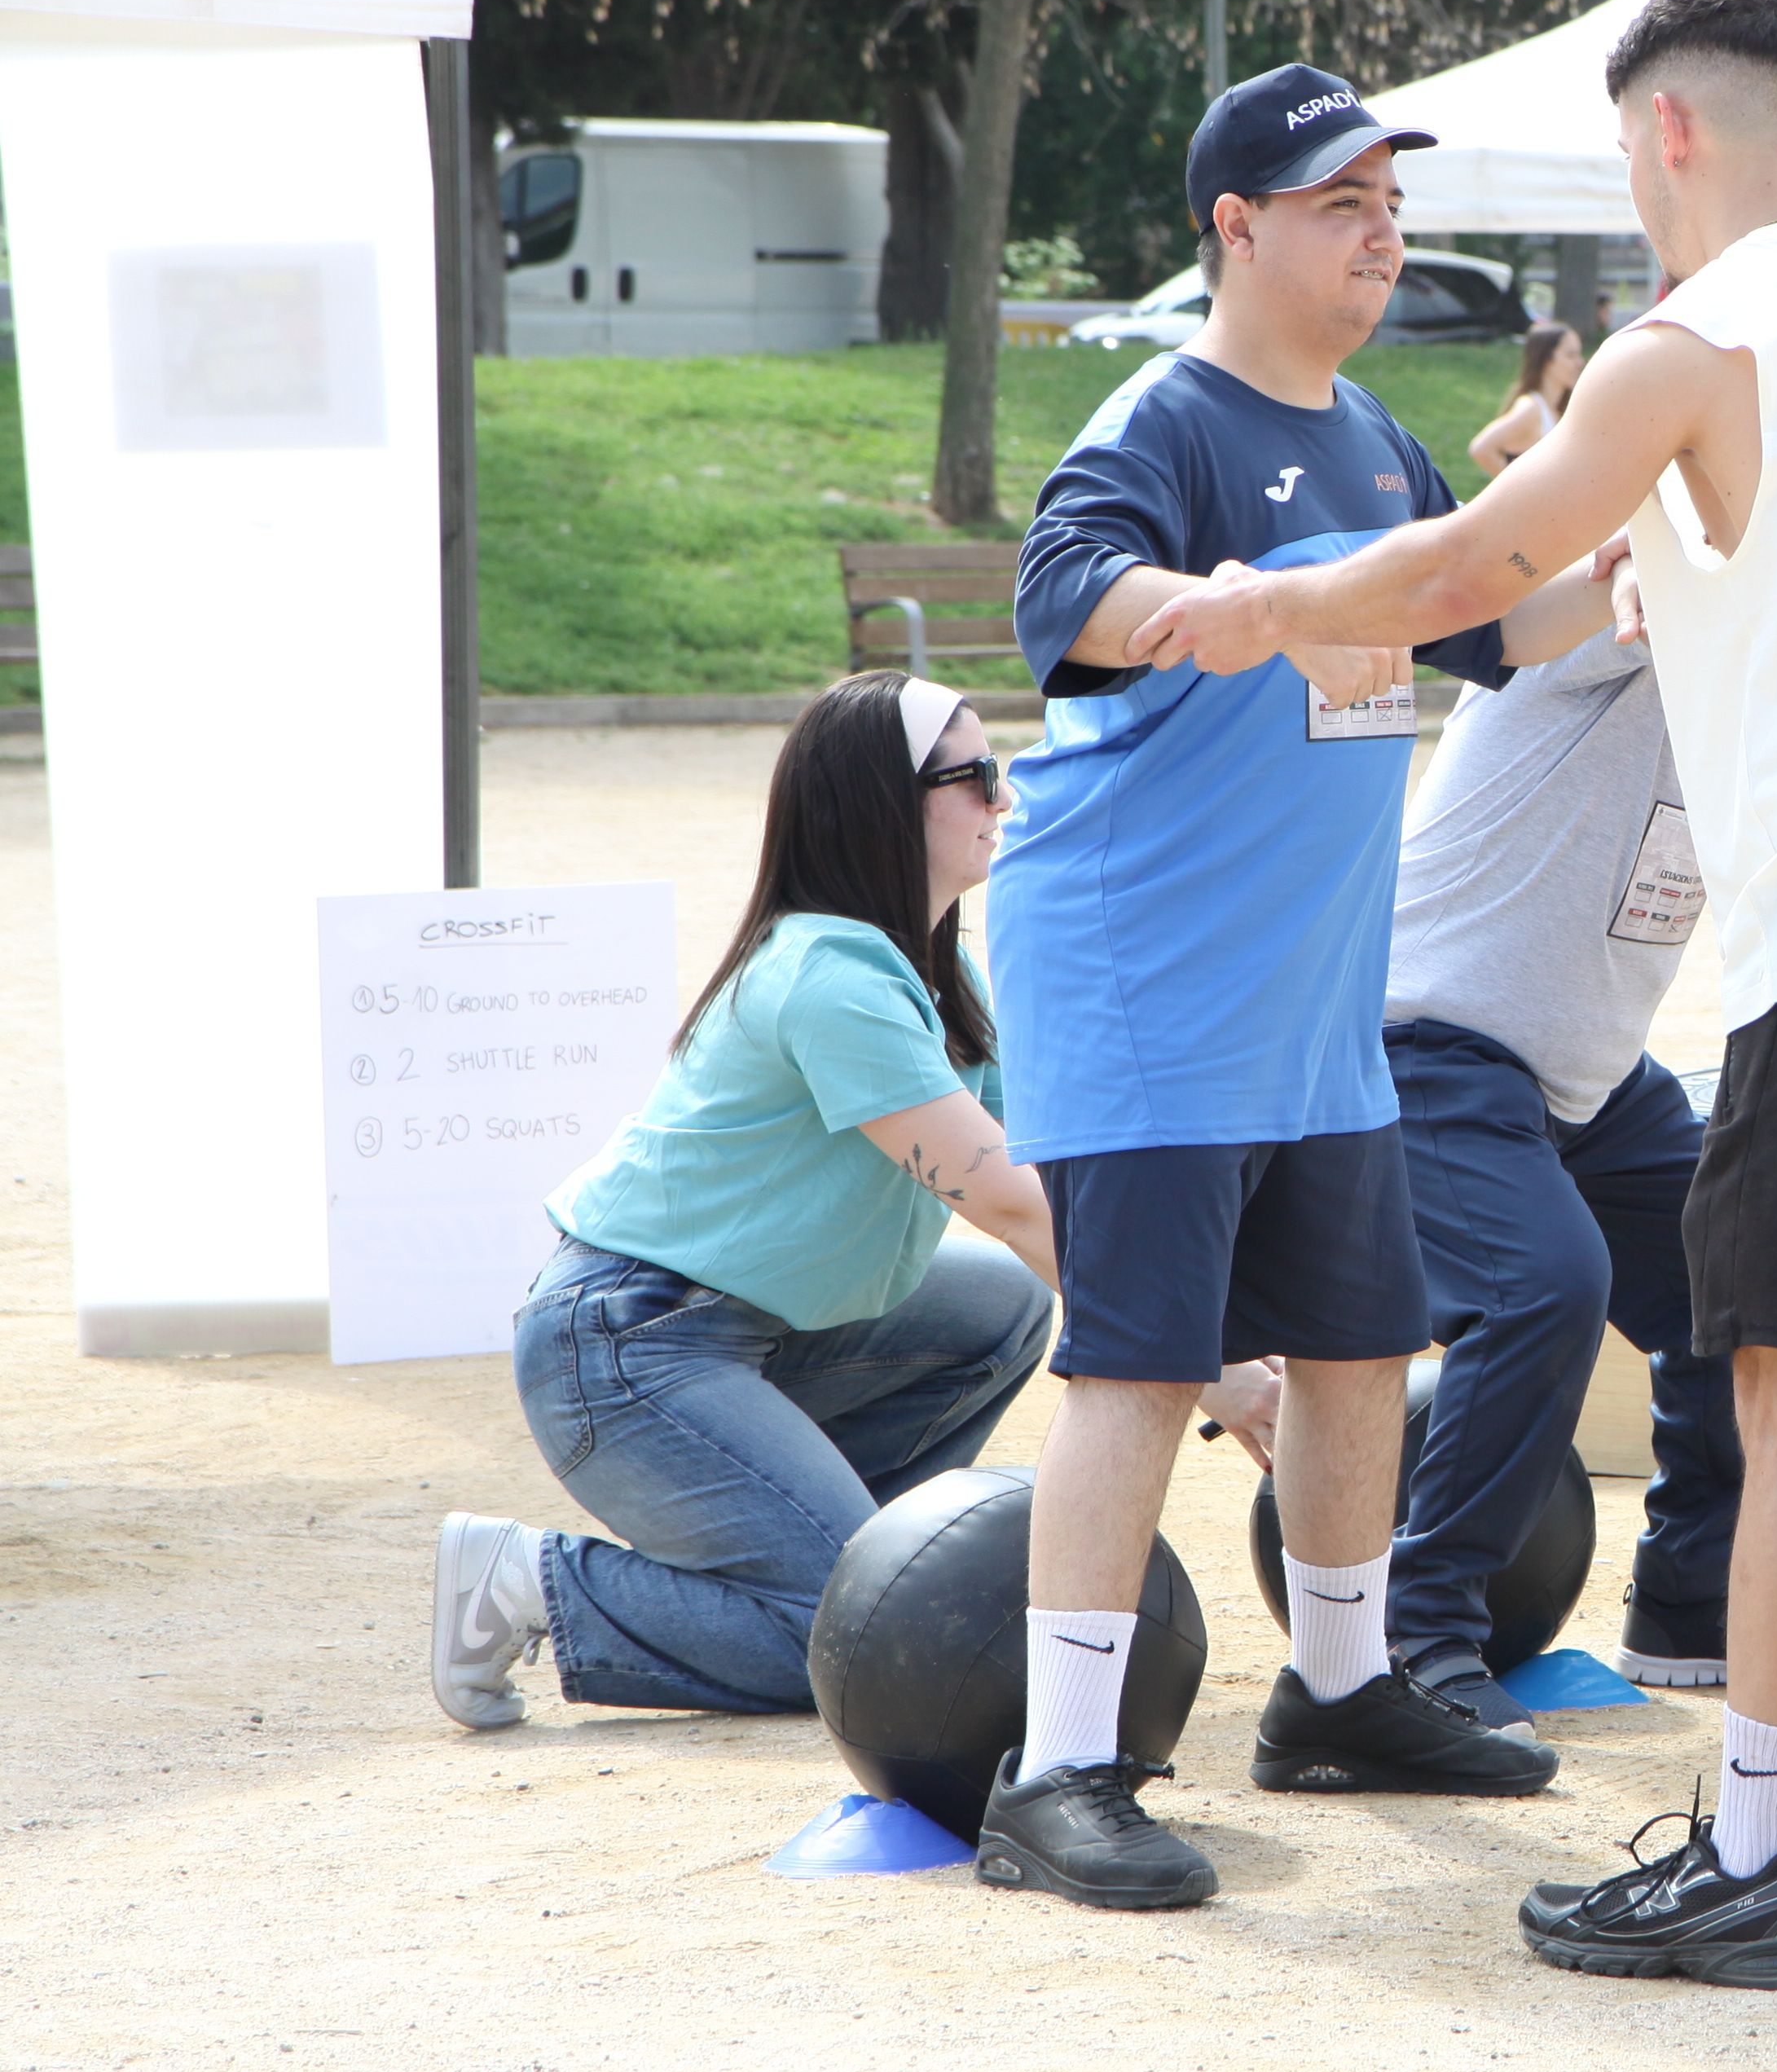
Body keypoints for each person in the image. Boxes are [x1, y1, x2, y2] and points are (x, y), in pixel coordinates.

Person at [1128, 0, 1777, 1985]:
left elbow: (1460, 574)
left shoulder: (1699, 339)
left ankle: (1756, 1855)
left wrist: (1232, 605)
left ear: (1666, 129)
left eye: (1623, 151)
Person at [974, 63, 1610, 1914]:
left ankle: (1335, 1689)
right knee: (1138, 1367)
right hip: (1147, 985)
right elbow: (1072, 597)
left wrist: (1628, 567)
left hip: (1312, 1013)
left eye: (1387, 205)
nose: (1379, 234)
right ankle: (1062, 1766)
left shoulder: (1378, 444)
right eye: (1341, 204)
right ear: (1232, 227)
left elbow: (1490, 624)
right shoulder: (1161, 420)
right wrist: (1227, 596)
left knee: (1355, 1352)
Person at [436, 675, 1228, 1731]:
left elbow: (1060, 1181)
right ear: (881, 806)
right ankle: (529, 1579)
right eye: (975, 775)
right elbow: (1019, 1209)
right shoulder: (832, 978)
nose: (1004, 799)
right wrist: (1213, 1372)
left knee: (998, 1311)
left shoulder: (943, 977)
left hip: (736, 1330)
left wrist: (1236, 1320)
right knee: (848, 1631)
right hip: (626, 1347)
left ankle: (852, 1551)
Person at [1377, 623, 1777, 1724]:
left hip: (1589, 1076)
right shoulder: (1606, 622)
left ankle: (1696, 1599)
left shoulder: (1770, 677)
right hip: (1432, 1044)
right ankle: (1415, 1634)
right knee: (1542, 1288)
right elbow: (1637, 540)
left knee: (1750, 1271)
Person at [1467, 321, 1585, 476]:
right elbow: (1481, 448)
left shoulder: (1559, 410)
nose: (1580, 363)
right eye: (1571, 355)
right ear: (1546, 360)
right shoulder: (1531, 409)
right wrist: (1520, 493)